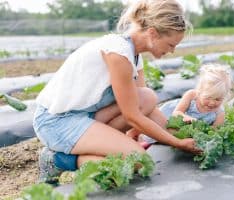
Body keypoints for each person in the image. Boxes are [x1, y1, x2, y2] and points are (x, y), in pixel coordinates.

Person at [33, 0, 202, 185]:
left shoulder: (134, 55)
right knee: (138, 162)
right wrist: (175, 142)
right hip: (56, 121)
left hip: (87, 116)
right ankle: (56, 160)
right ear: (153, 34)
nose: (172, 51)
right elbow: (132, 116)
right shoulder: (118, 53)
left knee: (147, 97)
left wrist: (178, 133)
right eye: (171, 44)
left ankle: (92, 146)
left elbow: (143, 107)